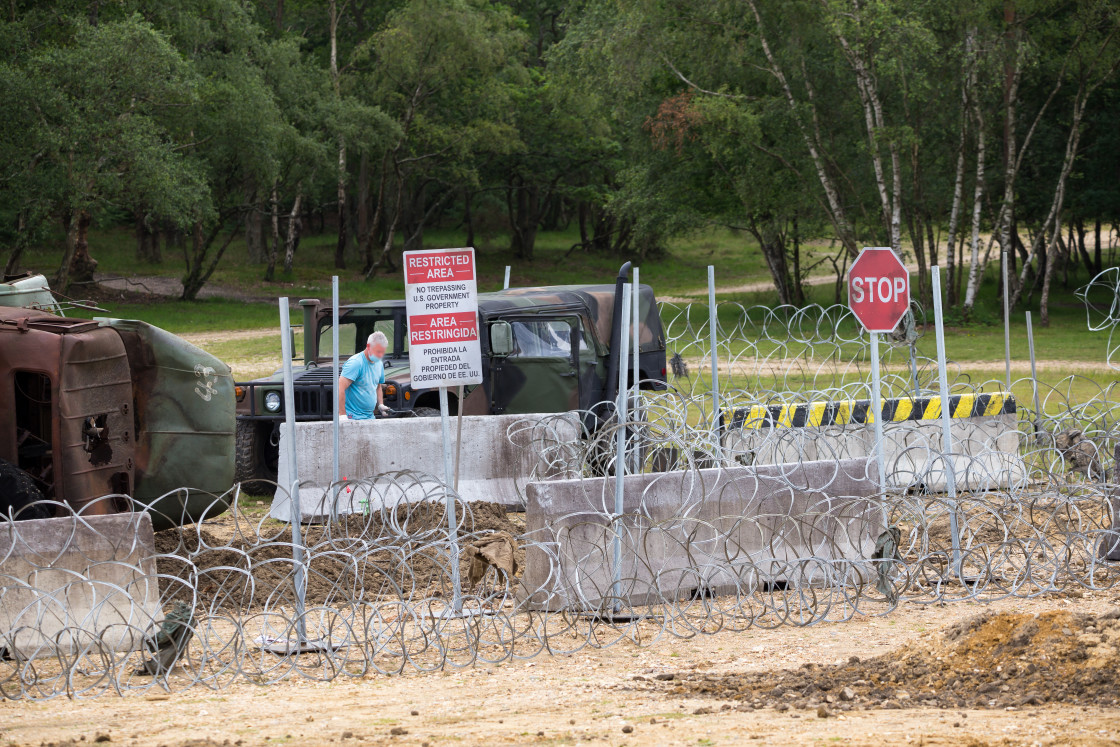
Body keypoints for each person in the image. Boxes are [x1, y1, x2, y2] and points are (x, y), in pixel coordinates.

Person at [338, 331, 392, 420]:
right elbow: (340, 387)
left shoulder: (379, 364)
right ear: (368, 347)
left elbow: (377, 386)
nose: (380, 355)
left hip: (369, 416)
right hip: (353, 417)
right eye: (378, 352)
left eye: (383, 352)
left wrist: (381, 404)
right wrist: (342, 414)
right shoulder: (356, 363)